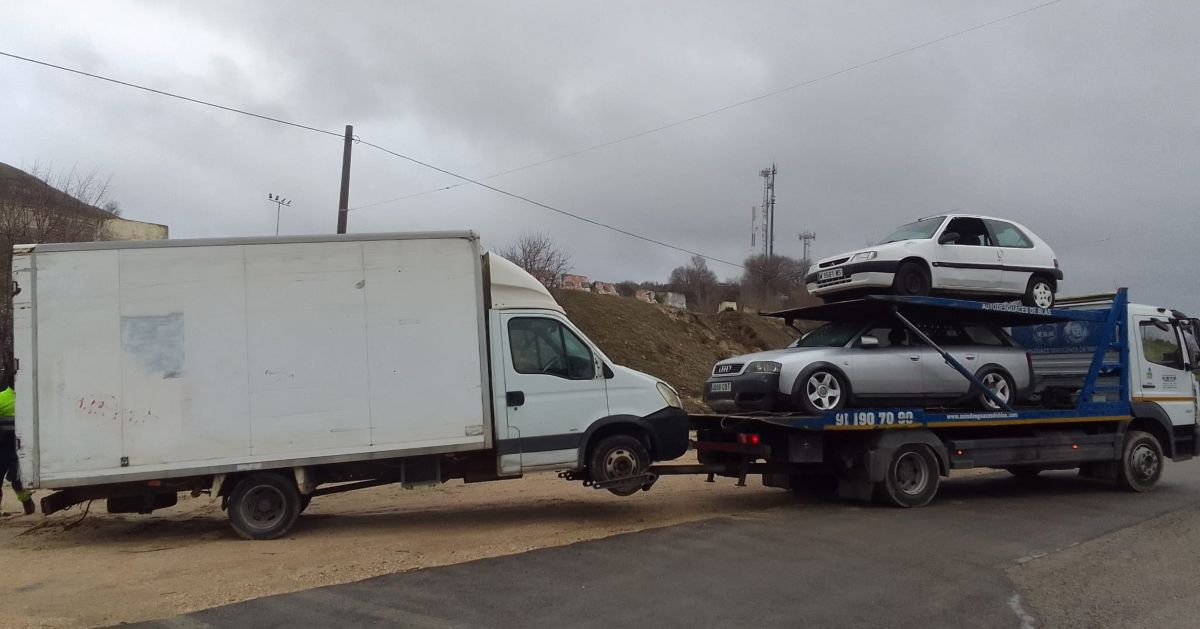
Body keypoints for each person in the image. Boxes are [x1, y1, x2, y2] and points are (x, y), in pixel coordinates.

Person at [0, 375, 34, 515]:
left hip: (5, 447)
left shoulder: (2, 397)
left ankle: (27, 503)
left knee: (16, 479)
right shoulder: (27, 398)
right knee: (17, 479)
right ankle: (27, 503)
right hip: (17, 448)